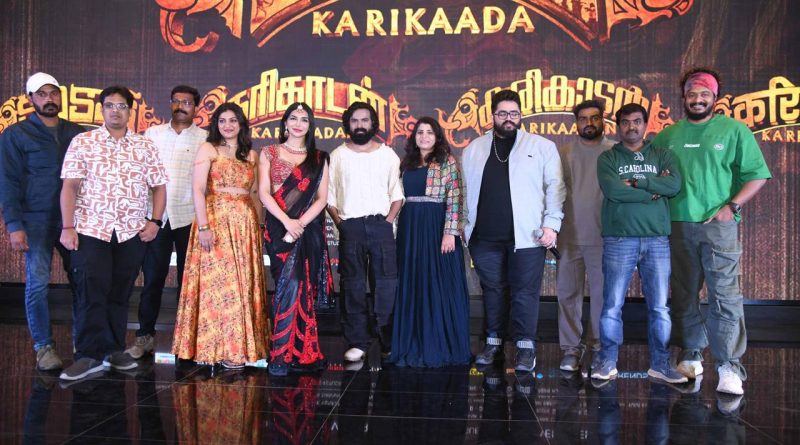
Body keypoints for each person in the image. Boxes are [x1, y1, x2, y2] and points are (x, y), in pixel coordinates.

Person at [652, 68, 771, 395]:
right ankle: (690, 353)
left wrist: (731, 206)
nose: (698, 99)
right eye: (692, 94)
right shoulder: (668, 135)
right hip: (677, 225)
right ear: (684, 97)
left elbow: (758, 175)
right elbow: (652, 173)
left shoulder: (734, 130)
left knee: (725, 296)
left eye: (705, 94)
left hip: (718, 227)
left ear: (715, 98)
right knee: (684, 293)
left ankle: (729, 365)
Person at [59, 86, 168, 381]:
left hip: (130, 232)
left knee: (120, 293)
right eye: (110, 105)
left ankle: (113, 350)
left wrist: (155, 221)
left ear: (130, 111)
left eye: (121, 106)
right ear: (102, 109)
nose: (115, 111)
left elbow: (159, 187)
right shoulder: (84, 142)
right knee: (91, 291)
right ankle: (88, 355)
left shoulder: (144, 146)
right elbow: (69, 186)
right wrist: (67, 227)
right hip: (91, 230)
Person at [462, 89, 565, 372]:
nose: (509, 118)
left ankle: (525, 346)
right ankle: (493, 341)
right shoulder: (474, 149)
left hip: (528, 236)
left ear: (521, 115)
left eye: (514, 113)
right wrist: (464, 226)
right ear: (492, 116)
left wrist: (551, 224)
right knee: (492, 290)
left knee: (524, 293)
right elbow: (464, 190)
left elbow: (555, 188)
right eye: (502, 113)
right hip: (484, 238)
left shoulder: (542, 146)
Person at [591, 103, 687, 384]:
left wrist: (637, 182)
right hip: (620, 238)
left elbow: (673, 186)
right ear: (618, 126)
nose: (631, 126)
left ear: (645, 124)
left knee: (660, 307)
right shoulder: (608, 158)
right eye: (625, 122)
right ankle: (607, 361)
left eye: (636, 121)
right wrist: (654, 190)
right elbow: (614, 191)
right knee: (612, 305)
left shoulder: (663, 155)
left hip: (657, 239)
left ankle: (660, 364)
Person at [171, 102, 268, 369]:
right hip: (214, 221)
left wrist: (258, 227)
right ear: (216, 124)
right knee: (218, 285)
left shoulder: (251, 154)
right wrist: (204, 226)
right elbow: (198, 189)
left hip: (245, 224)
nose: (228, 125)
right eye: (222, 121)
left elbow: (255, 194)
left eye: (233, 120)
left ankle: (237, 350)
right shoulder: (208, 149)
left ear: (241, 124)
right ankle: (211, 347)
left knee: (241, 285)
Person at [0, 72, 84, 371]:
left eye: (54, 93)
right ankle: (44, 347)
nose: (49, 99)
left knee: (82, 281)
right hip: (34, 220)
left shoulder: (77, 132)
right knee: (37, 284)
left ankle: (82, 342)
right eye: (42, 94)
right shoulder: (15, 134)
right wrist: (14, 226)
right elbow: (8, 182)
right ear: (31, 99)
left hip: (73, 220)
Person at [125, 85, 207, 360]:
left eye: (187, 102)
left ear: (196, 107)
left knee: (189, 282)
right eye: (176, 101)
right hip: (156, 218)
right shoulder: (152, 134)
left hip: (190, 217)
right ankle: (144, 336)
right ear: (170, 103)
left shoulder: (206, 139)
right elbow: (139, 173)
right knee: (152, 279)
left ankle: (189, 340)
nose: (181, 106)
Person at [388, 117, 471, 368]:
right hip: (410, 228)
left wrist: (450, 232)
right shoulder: (406, 163)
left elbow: (456, 197)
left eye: (430, 132)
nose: (424, 136)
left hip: (437, 227)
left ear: (437, 137)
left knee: (439, 282)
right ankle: (412, 342)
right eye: (420, 132)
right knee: (413, 281)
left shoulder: (447, 161)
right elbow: (398, 197)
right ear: (414, 137)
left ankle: (441, 344)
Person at [327, 101, 404, 363]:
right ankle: (357, 342)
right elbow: (329, 197)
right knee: (353, 286)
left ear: (373, 124)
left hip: (381, 225)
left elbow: (397, 194)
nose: (360, 125)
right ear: (348, 125)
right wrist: (342, 224)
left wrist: (388, 221)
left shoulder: (388, 155)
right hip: (351, 227)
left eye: (365, 120)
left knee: (386, 285)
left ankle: (388, 341)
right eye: (354, 121)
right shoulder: (337, 155)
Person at [259, 102, 332, 376]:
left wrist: (299, 224)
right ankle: (280, 352)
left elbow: (322, 199)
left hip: (306, 228)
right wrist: (287, 222)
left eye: (304, 119)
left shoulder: (319, 158)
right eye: (293, 118)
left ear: (310, 125)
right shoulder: (269, 152)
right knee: (286, 284)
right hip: (278, 227)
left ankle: (299, 352)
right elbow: (264, 193)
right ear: (285, 123)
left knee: (301, 286)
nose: (298, 123)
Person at [556, 99, 615, 372]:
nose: (589, 123)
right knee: (568, 295)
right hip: (569, 236)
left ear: (603, 120)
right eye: (582, 118)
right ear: (576, 123)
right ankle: (571, 348)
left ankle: (600, 347)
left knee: (603, 297)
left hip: (605, 237)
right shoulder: (564, 153)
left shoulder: (615, 152)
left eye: (594, 118)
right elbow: (553, 193)